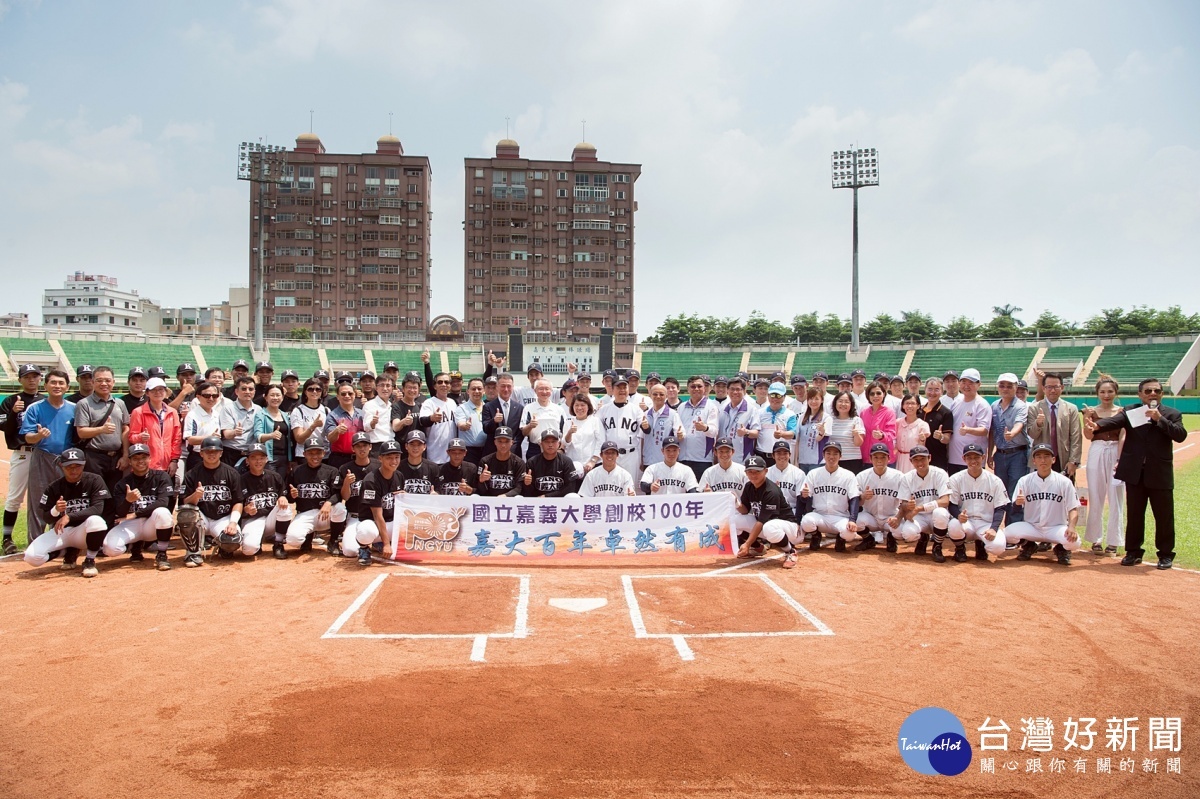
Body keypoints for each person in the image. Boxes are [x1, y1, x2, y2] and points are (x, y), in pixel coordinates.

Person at [1089, 377, 1187, 569]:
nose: (1152, 394)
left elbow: (1180, 435)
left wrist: (1160, 419)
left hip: (1159, 473)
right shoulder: (1131, 411)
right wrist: (1098, 425)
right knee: (1135, 514)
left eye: (1156, 391)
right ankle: (1133, 552)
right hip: (1135, 473)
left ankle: (1165, 554)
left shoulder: (1171, 413)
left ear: (1161, 394)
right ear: (1140, 394)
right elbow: (1114, 420)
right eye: (1148, 391)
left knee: (1164, 516)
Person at [23, 448, 109, 577]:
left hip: (84, 533)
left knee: (97, 522)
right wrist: (56, 510)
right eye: (69, 467)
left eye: (77, 466)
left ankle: (89, 561)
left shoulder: (94, 480)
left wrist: (69, 516)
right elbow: (46, 518)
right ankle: (66, 552)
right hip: (63, 532)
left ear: (84, 464)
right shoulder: (54, 487)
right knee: (32, 557)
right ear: (61, 466)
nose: (73, 470)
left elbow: (97, 509)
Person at [21, 368, 76, 540]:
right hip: (42, 457)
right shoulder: (35, 408)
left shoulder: (74, 408)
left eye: (61, 383)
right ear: (45, 385)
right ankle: (35, 542)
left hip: (66, 460)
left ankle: (57, 543)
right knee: (38, 500)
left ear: (67, 387)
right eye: (53, 382)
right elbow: (28, 437)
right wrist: (38, 436)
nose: (57, 386)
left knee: (63, 501)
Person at [1005, 443, 1082, 565]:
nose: (1043, 460)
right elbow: (1014, 509)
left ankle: (1061, 549)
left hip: (1056, 528)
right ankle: (1029, 545)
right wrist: (1017, 503)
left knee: (1075, 542)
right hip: (1032, 527)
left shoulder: (1064, 482)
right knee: (1008, 533)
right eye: (1039, 457)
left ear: (1053, 459)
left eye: (1046, 456)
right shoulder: (1025, 481)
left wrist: (1071, 527)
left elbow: (1073, 508)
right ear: (1034, 461)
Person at [73, 365, 130, 527]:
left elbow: (126, 428)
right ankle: (94, 534)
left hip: (116, 457)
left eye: (107, 380)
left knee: (113, 495)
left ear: (113, 382)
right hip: (94, 456)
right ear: (92, 382)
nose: (103, 383)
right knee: (96, 496)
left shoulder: (119, 403)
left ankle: (109, 532)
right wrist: (102, 429)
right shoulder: (84, 404)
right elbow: (81, 432)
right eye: (99, 380)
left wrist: (125, 455)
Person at [102, 443, 174, 570]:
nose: (140, 461)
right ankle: (136, 545)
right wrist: (128, 501)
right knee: (110, 549)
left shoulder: (161, 477)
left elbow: (163, 502)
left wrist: (136, 514)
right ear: (129, 461)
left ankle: (162, 554)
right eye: (135, 458)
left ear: (150, 459)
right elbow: (120, 512)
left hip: (151, 524)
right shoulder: (122, 484)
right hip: (131, 525)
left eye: (143, 457)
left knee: (163, 513)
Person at [180, 436, 243, 568]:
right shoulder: (192, 474)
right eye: (208, 451)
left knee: (231, 542)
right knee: (186, 514)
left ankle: (222, 547)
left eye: (215, 451)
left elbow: (238, 502)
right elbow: (184, 502)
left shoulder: (231, 473)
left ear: (221, 453)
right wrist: (195, 496)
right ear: (201, 453)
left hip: (222, 518)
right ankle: (193, 552)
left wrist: (233, 522)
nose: (211, 454)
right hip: (201, 518)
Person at [1, 364, 44, 553]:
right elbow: (4, 428)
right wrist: (13, 413)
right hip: (22, 453)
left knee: (45, 496)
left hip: (43, 454)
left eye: (35, 376)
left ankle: (45, 537)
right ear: (20, 380)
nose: (31, 379)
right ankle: (7, 538)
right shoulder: (11, 401)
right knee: (14, 498)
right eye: (27, 376)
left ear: (40, 379)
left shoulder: (46, 400)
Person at [1081, 375, 1125, 555]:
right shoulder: (1092, 411)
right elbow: (1089, 436)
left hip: (1115, 449)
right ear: (1097, 393)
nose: (1106, 395)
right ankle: (1095, 539)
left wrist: (1120, 459)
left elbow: (1123, 435)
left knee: (1116, 496)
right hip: (1097, 450)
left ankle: (1114, 540)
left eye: (1110, 391)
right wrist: (1087, 420)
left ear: (1115, 392)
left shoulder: (1122, 411)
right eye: (1102, 392)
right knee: (1095, 494)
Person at [736, 454, 802, 568]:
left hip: (790, 529)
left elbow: (761, 521)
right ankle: (758, 548)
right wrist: (736, 504)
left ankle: (790, 551)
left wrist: (747, 543)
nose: (753, 475)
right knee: (734, 519)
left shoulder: (771, 491)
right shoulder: (749, 486)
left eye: (757, 471)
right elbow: (745, 511)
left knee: (769, 527)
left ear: (765, 471)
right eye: (750, 471)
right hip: (769, 527)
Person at [349, 439, 408, 565]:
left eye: (397, 457)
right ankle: (364, 548)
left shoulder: (399, 476)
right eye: (389, 458)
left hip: (391, 522)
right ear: (380, 458)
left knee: (413, 525)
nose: (394, 461)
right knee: (366, 532)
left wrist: (405, 497)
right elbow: (377, 516)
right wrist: (387, 544)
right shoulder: (371, 481)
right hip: (372, 523)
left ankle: (379, 542)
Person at [947, 443, 1010, 562]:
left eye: (976, 457)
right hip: (966, 523)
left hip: (986, 524)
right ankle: (960, 548)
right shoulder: (956, 479)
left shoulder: (995, 480)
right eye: (969, 457)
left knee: (998, 547)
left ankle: (981, 544)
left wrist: (994, 528)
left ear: (983, 457)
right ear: (963, 459)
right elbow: (952, 504)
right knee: (953, 525)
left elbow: (1000, 507)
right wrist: (958, 516)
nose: (973, 460)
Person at [287, 440, 346, 558]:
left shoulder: (332, 471)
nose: (315, 456)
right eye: (311, 453)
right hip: (305, 514)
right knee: (293, 540)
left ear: (324, 453)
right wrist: (291, 495)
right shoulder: (297, 471)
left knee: (340, 508)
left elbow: (338, 494)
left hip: (325, 515)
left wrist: (329, 503)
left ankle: (333, 541)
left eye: (318, 453)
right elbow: (290, 499)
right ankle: (308, 538)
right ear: (304, 454)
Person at [798, 442, 861, 552]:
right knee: (806, 522)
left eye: (835, 454)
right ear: (823, 455)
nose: (831, 456)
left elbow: (854, 498)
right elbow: (803, 499)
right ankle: (816, 536)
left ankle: (840, 539)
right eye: (828, 453)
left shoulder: (849, 475)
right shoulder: (814, 473)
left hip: (840, 517)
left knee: (850, 534)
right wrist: (804, 496)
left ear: (840, 456)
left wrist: (852, 520)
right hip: (820, 516)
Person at [233, 443, 292, 559]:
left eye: (261, 458)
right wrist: (246, 510)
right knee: (249, 550)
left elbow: (283, 494)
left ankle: (278, 543)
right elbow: (237, 504)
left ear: (266, 460)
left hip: (271, 520)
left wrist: (283, 497)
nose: (258, 461)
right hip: (252, 519)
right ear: (247, 461)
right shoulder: (241, 480)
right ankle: (257, 541)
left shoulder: (275, 477)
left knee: (285, 508)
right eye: (253, 458)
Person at [322, 432, 375, 557]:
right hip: (355, 516)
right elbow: (345, 497)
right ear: (353, 448)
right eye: (358, 446)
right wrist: (346, 483)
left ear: (370, 447)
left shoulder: (378, 467)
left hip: (375, 516)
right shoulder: (345, 468)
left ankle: (377, 541)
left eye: (365, 445)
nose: (362, 449)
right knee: (350, 551)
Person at [988, 372, 1029, 524]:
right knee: (1000, 491)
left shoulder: (1020, 406)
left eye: (1009, 386)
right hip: (1000, 454)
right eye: (1002, 385)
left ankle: (1013, 528)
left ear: (1015, 387)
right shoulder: (994, 406)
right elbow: (992, 432)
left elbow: (1020, 423)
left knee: (1015, 491)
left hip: (1017, 453)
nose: (1005, 389)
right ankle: (998, 526)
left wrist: (1012, 433)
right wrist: (989, 454)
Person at [898, 446, 951, 561]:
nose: (920, 462)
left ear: (929, 458)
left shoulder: (940, 473)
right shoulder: (907, 478)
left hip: (935, 515)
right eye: (916, 460)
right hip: (920, 517)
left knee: (940, 513)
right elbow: (903, 504)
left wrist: (919, 508)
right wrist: (908, 506)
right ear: (911, 461)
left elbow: (945, 501)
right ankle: (923, 537)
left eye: (923, 458)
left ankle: (937, 546)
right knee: (908, 533)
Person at [1027, 372, 1083, 482]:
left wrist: (1074, 461)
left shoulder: (1071, 409)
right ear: (1043, 388)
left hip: (1064, 458)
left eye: (1056, 387)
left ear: (1062, 387)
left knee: (1065, 493)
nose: (1052, 390)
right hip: (1042, 458)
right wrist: (1038, 423)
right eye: (1049, 387)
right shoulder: (1034, 408)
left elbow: (1076, 437)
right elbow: (1032, 434)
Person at [853, 443, 909, 552]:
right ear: (870, 458)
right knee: (856, 521)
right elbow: (855, 503)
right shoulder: (861, 476)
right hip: (870, 517)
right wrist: (863, 496)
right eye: (876, 457)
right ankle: (868, 539)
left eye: (883, 457)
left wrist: (898, 517)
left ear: (889, 458)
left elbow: (905, 502)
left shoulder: (899, 476)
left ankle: (891, 538)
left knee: (904, 531)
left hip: (891, 517)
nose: (879, 460)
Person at [595, 375, 645, 487]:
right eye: (618, 387)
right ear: (612, 389)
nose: (622, 390)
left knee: (630, 488)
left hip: (630, 455)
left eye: (624, 387)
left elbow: (646, 430)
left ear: (628, 389)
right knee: (611, 487)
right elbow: (596, 431)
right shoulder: (603, 410)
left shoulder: (636, 409)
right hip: (610, 455)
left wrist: (645, 426)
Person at [518, 377, 567, 461]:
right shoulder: (528, 408)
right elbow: (524, 432)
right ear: (535, 390)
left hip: (554, 448)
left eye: (547, 389)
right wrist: (530, 426)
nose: (544, 392)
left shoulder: (559, 409)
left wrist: (561, 449)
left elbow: (565, 431)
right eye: (541, 389)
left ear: (551, 391)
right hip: (534, 449)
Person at [522, 428, 580, 497]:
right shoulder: (532, 462)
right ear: (541, 443)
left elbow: (570, 488)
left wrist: (547, 496)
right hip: (538, 501)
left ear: (559, 443)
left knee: (573, 496)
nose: (550, 445)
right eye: (547, 441)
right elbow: (527, 492)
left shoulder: (566, 462)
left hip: (560, 502)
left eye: (553, 441)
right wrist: (527, 484)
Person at [640, 384, 685, 469]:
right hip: (648, 461)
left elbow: (680, 436)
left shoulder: (673, 414)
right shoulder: (645, 415)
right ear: (650, 395)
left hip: (665, 462)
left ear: (666, 396)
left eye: (661, 394)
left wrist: (680, 436)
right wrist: (641, 459)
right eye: (655, 394)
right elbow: (642, 439)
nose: (658, 397)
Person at [819, 391, 865, 474]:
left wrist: (856, 434)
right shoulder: (829, 420)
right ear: (835, 403)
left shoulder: (857, 420)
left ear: (851, 405)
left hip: (852, 460)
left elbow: (858, 443)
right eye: (840, 401)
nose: (843, 404)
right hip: (833, 460)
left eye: (847, 402)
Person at [252, 384, 291, 479]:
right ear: (266, 397)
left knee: (281, 485)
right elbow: (258, 436)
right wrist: (271, 435)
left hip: (284, 458)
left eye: (278, 395)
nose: (275, 398)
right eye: (272, 395)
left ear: (282, 397)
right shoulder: (261, 414)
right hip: (269, 458)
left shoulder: (285, 415)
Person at [482, 372, 525, 458]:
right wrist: (494, 421)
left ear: (513, 387)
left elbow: (519, 433)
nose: (506, 389)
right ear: (497, 387)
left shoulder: (519, 408)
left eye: (509, 386)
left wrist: (512, 446)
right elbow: (486, 428)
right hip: (493, 453)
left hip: (513, 454)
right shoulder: (488, 406)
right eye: (503, 386)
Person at [717, 376, 760, 462]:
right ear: (727, 391)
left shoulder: (751, 409)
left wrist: (746, 432)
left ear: (744, 391)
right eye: (732, 389)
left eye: (738, 389)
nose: (735, 392)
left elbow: (756, 433)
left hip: (742, 458)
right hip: (724, 457)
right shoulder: (723, 410)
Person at [324, 381, 366, 469]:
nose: (347, 396)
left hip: (359, 458)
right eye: (343, 394)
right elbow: (330, 439)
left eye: (350, 393)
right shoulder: (332, 415)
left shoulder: (362, 414)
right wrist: (336, 431)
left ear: (354, 395)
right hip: (339, 459)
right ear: (338, 397)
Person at [420, 371, 459, 464]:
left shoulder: (452, 403)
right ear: (434, 386)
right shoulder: (429, 403)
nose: (443, 384)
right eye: (440, 382)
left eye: (446, 382)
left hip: (452, 455)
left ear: (450, 385)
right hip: (435, 455)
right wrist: (431, 418)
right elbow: (422, 421)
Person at [219, 376, 259, 467]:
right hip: (231, 452)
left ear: (254, 392)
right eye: (244, 389)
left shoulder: (259, 410)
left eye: (251, 389)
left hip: (251, 453)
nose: (247, 392)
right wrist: (235, 432)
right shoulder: (228, 408)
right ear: (237, 391)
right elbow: (227, 434)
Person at [477, 427, 527, 498]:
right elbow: (481, 491)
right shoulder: (485, 461)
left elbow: (519, 488)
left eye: (507, 441)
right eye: (500, 441)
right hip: (489, 500)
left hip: (510, 500)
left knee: (519, 497)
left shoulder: (519, 462)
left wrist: (505, 496)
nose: (503, 445)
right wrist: (481, 481)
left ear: (512, 442)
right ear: (495, 442)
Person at [917, 377, 954, 471]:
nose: (932, 393)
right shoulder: (919, 411)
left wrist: (941, 437)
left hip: (937, 459)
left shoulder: (946, 413)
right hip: (918, 457)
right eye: (930, 389)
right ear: (925, 390)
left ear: (942, 392)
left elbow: (947, 439)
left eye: (936, 390)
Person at [564, 394, 603, 475]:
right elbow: (565, 444)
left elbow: (601, 442)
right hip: (573, 465)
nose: (579, 408)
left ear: (588, 406)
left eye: (583, 405)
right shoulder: (568, 423)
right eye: (576, 405)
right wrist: (570, 432)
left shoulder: (595, 421)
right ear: (572, 407)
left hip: (592, 465)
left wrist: (593, 461)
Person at [858, 384, 897, 467]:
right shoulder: (863, 413)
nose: (875, 396)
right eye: (872, 394)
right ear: (868, 396)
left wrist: (882, 435)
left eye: (878, 393)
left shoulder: (889, 412)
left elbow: (892, 434)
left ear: (884, 394)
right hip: (866, 457)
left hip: (883, 457)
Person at [756, 382, 797, 459]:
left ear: (784, 397)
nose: (775, 399)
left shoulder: (790, 414)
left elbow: (792, 433)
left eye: (778, 396)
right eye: (772, 395)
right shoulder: (759, 413)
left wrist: (782, 434)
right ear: (768, 396)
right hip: (762, 455)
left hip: (781, 456)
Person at [452, 377, 488, 464]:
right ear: (468, 391)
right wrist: (464, 426)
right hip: (469, 452)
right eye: (473, 389)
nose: (476, 391)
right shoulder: (462, 408)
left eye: (479, 389)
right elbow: (460, 424)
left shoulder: (488, 407)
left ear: (484, 391)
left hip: (486, 451)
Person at [793, 386, 827, 473]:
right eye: (811, 399)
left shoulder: (826, 418)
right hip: (802, 461)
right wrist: (796, 460)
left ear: (822, 400)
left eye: (816, 399)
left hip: (817, 462)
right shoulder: (802, 417)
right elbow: (798, 440)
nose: (813, 402)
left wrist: (821, 432)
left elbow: (818, 439)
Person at [765, 440, 804, 516]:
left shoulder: (799, 473)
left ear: (790, 455)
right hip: (771, 510)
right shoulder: (766, 473)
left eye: (785, 453)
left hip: (792, 510)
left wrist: (797, 519)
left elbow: (800, 499)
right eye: (778, 453)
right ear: (773, 455)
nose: (782, 456)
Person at [894, 394, 929, 474]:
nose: (909, 406)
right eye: (907, 403)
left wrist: (922, 439)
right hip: (899, 459)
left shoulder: (923, 424)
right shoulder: (898, 422)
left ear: (918, 406)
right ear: (903, 406)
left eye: (913, 403)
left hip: (915, 459)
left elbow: (922, 446)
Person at [363, 375, 397, 455]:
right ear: (376, 387)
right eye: (382, 385)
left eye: (388, 385)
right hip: (376, 446)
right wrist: (373, 423)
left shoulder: (392, 405)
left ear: (392, 388)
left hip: (391, 445)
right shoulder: (370, 405)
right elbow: (366, 427)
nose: (385, 389)